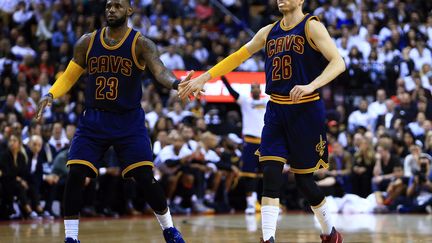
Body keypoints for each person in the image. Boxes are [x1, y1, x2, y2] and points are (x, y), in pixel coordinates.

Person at [178, 0, 346, 242]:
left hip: (305, 109)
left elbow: (338, 62)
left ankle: (330, 233)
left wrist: (311, 85)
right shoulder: (268, 31)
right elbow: (238, 56)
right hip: (276, 108)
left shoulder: (311, 27)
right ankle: (268, 238)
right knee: (270, 173)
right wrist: (207, 76)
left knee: (304, 182)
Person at [35, 0, 191, 242]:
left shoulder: (141, 43)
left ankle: (169, 229)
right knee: (75, 172)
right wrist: (51, 93)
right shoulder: (87, 41)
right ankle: (71, 238)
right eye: (108, 5)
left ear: (129, 10)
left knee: (145, 178)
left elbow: (159, 70)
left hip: (128, 121)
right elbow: (69, 75)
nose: (111, 9)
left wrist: (176, 83)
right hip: (94, 119)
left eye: (118, 6)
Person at [221, 75, 268, 214]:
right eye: (252, 87)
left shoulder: (267, 101)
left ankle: (267, 204)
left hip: (265, 142)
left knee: (266, 174)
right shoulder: (245, 101)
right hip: (250, 141)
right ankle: (251, 204)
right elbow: (232, 92)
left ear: (260, 90)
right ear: (250, 90)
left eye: (257, 87)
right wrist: (223, 78)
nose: (255, 89)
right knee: (249, 174)